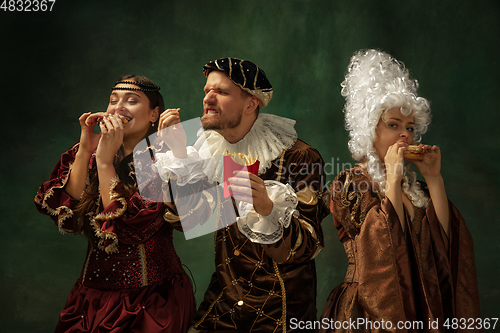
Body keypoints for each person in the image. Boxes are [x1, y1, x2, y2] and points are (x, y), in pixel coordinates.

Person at [154, 58, 330, 332]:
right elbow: (188, 220)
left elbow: (309, 244)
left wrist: (268, 208)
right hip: (222, 305)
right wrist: (178, 153)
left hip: (281, 313)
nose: (208, 99)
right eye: (206, 91)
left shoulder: (300, 156)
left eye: (221, 92)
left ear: (251, 103)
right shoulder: (210, 150)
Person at [319, 49, 481, 332]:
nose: (405, 134)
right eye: (393, 125)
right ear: (370, 131)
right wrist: (392, 179)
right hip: (371, 310)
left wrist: (433, 179)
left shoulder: (416, 188)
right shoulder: (350, 183)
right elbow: (382, 246)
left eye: (409, 126)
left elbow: (448, 243)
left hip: (421, 306)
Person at [34, 75, 195, 332]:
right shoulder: (89, 152)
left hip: (151, 300)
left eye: (131, 101)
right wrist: (87, 149)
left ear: (154, 114)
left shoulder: (164, 158)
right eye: (112, 100)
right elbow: (68, 215)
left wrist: (105, 163)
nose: (118, 107)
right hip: (90, 297)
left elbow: (127, 227)